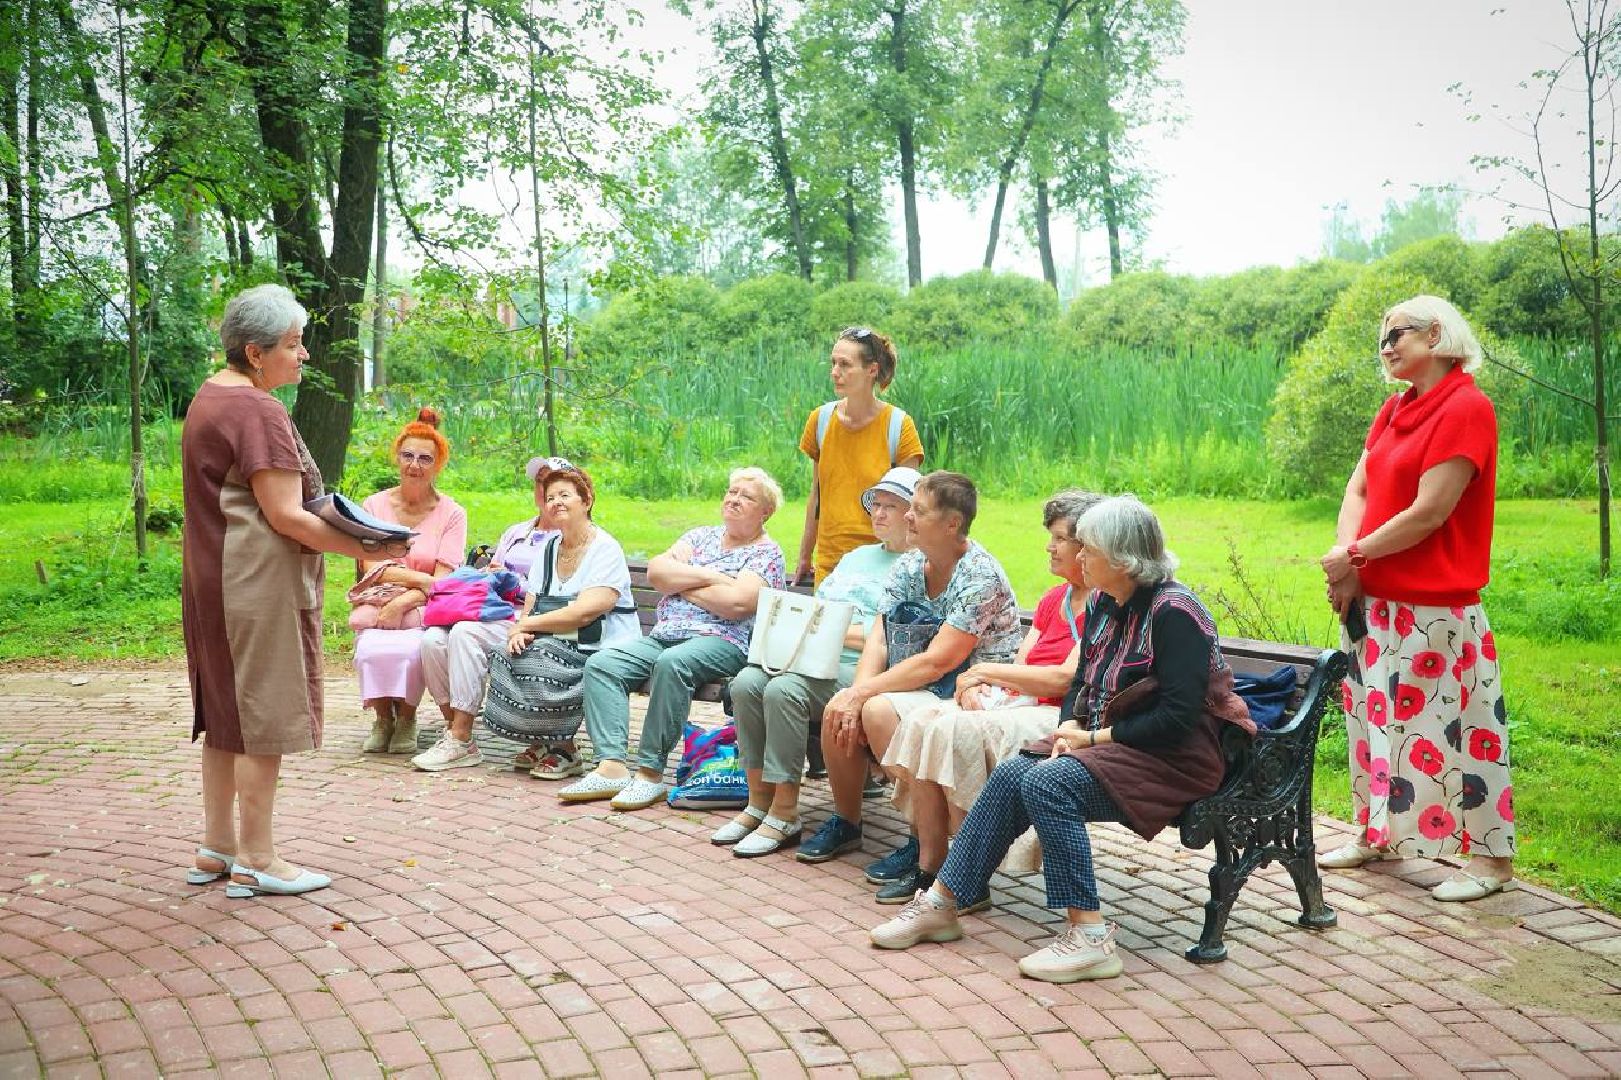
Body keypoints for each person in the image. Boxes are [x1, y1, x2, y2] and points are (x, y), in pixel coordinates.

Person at [867, 496, 1255, 985]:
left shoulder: (1174, 612)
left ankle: (1090, 938)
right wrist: (1071, 728)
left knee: (1051, 783)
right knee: (1014, 773)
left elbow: (1178, 718)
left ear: (1121, 558)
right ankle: (943, 903)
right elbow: (1081, 684)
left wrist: (1091, 737)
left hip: (1176, 757)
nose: (1081, 557)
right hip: (1115, 746)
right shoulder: (1103, 603)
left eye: (1088, 549)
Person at [181, 283, 410, 898]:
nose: (303, 354)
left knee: (227, 712)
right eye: (293, 344)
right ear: (255, 353)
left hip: (211, 576)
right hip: (253, 581)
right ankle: (259, 858)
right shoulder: (259, 411)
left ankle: (217, 847)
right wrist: (372, 548)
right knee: (262, 715)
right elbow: (285, 515)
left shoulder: (210, 395)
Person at [1318, 294, 1515, 902]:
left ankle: (1489, 863)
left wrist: (1353, 558)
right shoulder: (1394, 409)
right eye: (1381, 338)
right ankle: (1378, 832)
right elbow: (1359, 488)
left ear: (1435, 333)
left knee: (1458, 728)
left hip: (1436, 607)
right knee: (1378, 723)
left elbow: (1429, 511)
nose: (1385, 347)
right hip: (1377, 600)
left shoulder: (1466, 408)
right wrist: (1350, 565)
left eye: (1395, 334)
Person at [874, 489, 1104, 900]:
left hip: (1061, 714)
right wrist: (980, 686)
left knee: (956, 733)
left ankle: (967, 879)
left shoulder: (1104, 603)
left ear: (1088, 546)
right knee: (923, 722)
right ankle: (931, 866)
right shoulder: (1056, 598)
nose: (1049, 547)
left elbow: (1063, 680)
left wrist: (982, 673)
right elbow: (1024, 663)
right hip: (1022, 702)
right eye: (1050, 536)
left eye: (1059, 539)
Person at [798, 471, 1023, 864]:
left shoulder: (979, 575)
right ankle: (847, 822)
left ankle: (925, 841)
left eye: (918, 510)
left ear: (952, 523)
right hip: (923, 683)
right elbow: (880, 638)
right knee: (842, 708)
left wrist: (863, 693)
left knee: (876, 709)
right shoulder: (908, 566)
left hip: (973, 689)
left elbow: (941, 660)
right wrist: (854, 695)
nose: (906, 517)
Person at [715, 467, 921, 858]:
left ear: (913, 513)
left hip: (863, 669)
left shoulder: (916, 568)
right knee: (745, 682)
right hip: (810, 656)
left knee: (784, 690)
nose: (878, 513)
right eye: (875, 505)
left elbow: (890, 638)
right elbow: (815, 609)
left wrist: (830, 632)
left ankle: (785, 810)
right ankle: (758, 802)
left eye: (890, 506)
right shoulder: (857, 558)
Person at [559, 467, 787, 810]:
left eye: (747, 496)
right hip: (666, 634)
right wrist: (713, 577)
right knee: (604, 664)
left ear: (766, 511)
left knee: (673, 664)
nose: (734, 499)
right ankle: (612, 767)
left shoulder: (767, 554)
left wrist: (683, 587)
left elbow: (738, 604)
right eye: (732, 491)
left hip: (724, 641)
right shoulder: (699, 537)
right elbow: (658, 573)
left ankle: (650, 775)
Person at [416, 461, 638, 773]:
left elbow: (588, 610)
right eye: (550, 497)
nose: (556, 502)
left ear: (586, 501)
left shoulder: (605, 547)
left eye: (565, 495)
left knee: (539, 654)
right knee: (470, 635)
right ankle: (467, 736)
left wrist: (527, 625)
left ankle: (564, 748)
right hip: (557, 631)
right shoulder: (550, 547)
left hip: (600, 639)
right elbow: (533, 600)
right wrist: (522, 628)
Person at [416, 455, 568, 774]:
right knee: (431, 640)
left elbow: (562, 591)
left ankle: (460, 737)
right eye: (541, 483)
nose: (545, 490)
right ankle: (456, 729)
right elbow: (490, 576)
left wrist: (516, 583)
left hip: (531, 620)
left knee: (464, 634)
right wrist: (492, 573)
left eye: (554, 484)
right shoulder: (517, 532)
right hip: (490, 611)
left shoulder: (571, 536)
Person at [352, 409, 467, 754]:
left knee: (411, 649)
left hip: (423, 606)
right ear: (397, 458)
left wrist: (403, 600)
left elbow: (442, 581)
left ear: (438, 465)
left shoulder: (452, 513)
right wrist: (419, 580)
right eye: (408, 456)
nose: (415, 465)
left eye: (425, 458)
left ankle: (407, 719)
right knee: (371, 649)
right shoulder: (372, 506)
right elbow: (372, 566)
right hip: (377, 599)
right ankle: (382, 719)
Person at [796, 327, 924, 586]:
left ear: (872, 370)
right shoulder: (820, 420)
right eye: (833, 363)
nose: (835, 372)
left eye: (845, 364)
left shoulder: (899, 426)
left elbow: (911, 505)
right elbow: (817, 495)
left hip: (884, 563)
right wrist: (804, 555)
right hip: (831, 563)